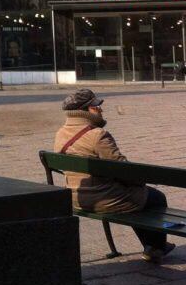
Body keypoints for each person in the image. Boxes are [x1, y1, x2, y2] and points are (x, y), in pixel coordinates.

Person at [54, 89, 174, 262]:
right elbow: (122, 170)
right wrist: (139, 181)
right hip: (105, 199)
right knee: (155, 197)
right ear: (85, 110)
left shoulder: (61, 133)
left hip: (76, 197)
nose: (100, 109)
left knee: (138, 197)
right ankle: (155, 246)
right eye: (96, 107)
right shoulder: (97, 135)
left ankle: (152, 245)